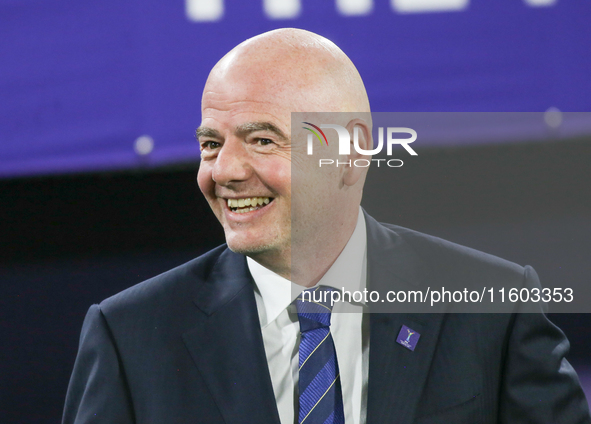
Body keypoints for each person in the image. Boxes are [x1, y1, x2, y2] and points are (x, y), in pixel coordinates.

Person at [62, 28, 591, 424]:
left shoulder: (491, 307)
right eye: (210, 144)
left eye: (263, 140)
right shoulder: (130, 338)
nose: (223, 171)